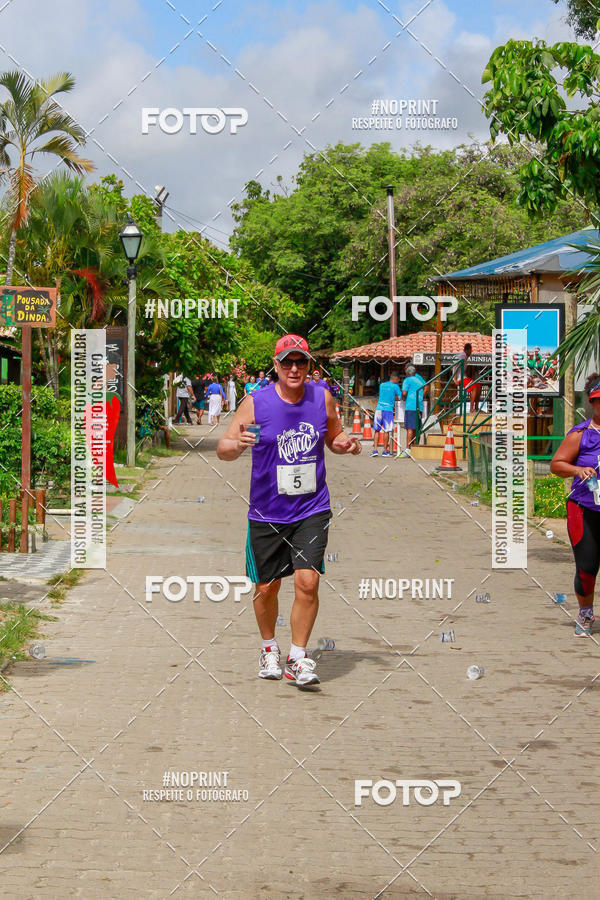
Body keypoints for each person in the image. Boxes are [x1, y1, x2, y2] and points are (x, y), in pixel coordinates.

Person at [217, 333, 361, 688]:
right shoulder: (256, 403)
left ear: (309, 366)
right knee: (266, 589)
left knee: (307, 582)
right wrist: (237, 444)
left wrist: (344, 445)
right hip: (267, 511)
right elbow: (223, 447)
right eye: (287, 362)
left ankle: (298, 656)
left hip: (311, 509)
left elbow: (334, 438)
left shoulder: (321, 397)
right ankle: (269, 648)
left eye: (301, 362)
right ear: (276, 365)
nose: (294, 368)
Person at [551, 374, 600, 637]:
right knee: (587, 566)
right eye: (598, 401)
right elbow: (556, 465)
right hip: (584, 509)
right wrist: (578, 469)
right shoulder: (580, 434)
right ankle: (585, 613)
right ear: (592, 403)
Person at [371, 370, 403, 458]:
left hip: (379, 409)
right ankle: (385, 451)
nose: (398, 381)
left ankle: (375, 450)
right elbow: (400, 397)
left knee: (377, 430)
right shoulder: (396, 386)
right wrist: (395, 397)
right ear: (396, 378)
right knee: (387, 431)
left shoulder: (382, 385)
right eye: (398, 380)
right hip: (388, 410)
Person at [400, 364, 427, 456]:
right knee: (416, 427)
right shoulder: (418, 380)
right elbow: (426, 386)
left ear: (407, 372)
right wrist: (421, 396)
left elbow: (404, 393)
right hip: (419, 405)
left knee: (410, 428)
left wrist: (403, 397)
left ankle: (408, 449)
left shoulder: (407, 380)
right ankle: (415, 447)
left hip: (410, 405)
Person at [453, 342, 481, 413]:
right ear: (467, 350)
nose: (471, 353)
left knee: (479, 386)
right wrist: (455, 379)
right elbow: (455, 366)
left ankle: (476, 407)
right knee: (474, 387)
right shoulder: (463, 356)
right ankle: (471, 409)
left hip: (464, 377)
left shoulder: (465, 357)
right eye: (471, 351)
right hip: (460, 378)